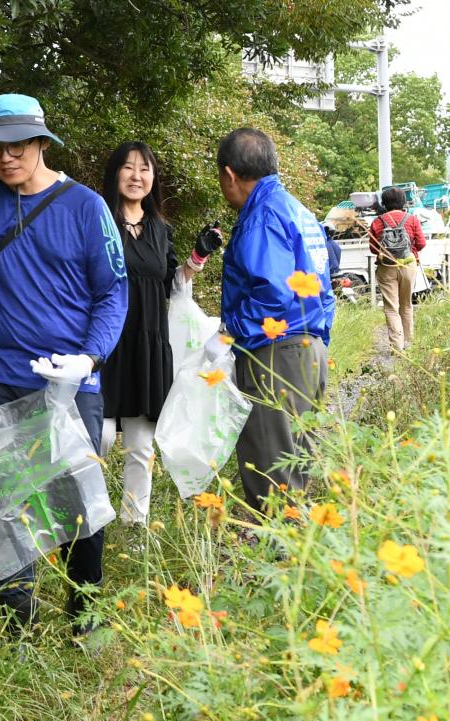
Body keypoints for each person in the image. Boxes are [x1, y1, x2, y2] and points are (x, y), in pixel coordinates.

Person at [0, 93, 128, 636]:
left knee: (78, 506)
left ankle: (85, 618)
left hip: (70, 382)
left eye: (18, 144)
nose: (6, 157)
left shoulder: (86, 206)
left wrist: (88, 358)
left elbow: (112, 294)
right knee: (5, 503)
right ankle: (17, 627)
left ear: (43, 143)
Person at [98, 141, 221, 528]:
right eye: (129, 168)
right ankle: (90, 521)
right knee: (97, 438)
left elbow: (173, 285)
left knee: (140, 445)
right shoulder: (97, 221)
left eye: (145, 169)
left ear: (153, 178)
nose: (137, 177)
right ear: (115, 173)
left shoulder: (159, 229)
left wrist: (197, 258)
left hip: (149, 345)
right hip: (104, 343)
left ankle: (135, 526)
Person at [216, 128, 335, 513]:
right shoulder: (298, 210)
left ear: (230, 174)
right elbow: (325, 290)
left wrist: (228, 328)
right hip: (309, 350)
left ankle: (283, 567)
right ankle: (300, 564)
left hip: (275, 354)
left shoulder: (262, 216)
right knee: (295, 469)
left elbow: (272, 294)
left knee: (273, 480)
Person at [369, 187, 426, 352]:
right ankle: (409, 343)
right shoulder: (412, 219)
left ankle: (397, 346)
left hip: (386, 266)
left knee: (391, 307)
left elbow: (373, 249)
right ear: (403, 202)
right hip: (408, 265)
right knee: (406, 305)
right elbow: (421, 244)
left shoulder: (377, 222)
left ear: (384, 203)